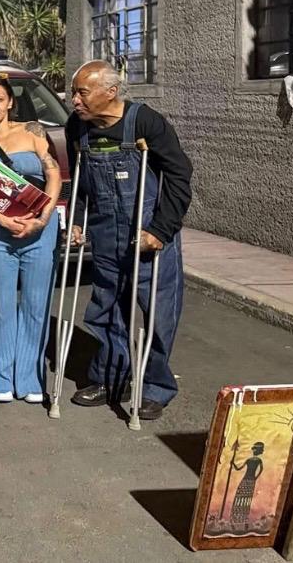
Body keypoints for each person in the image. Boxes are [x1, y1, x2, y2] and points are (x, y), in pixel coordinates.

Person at [66, 60, 192, 421]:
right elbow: (79, 180)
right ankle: (111, 378)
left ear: (111, 92)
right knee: (106, 309)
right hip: (106, 232)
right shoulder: (77, 126)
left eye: (82, 93)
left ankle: (155, 387)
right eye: (74, 93)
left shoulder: (146, 122)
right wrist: (77, 220)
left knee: (158, 314)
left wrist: (161, 231)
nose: (75, 100)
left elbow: (179, 175)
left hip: (147, 232)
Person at [0, 74, 61, 404]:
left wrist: (42, 218)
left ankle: (30, 378)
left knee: (36, 304)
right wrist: (3, 219)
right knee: (1, 305)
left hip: (40, 229)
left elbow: (53, 174)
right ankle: (0, 376)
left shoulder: (33, 131)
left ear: (10, 103)